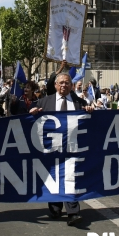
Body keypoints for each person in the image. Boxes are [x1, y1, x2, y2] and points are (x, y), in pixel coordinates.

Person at [29, 73, 94, 226]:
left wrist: (90, 111)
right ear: (55, 85)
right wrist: (32, 113)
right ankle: (55, 206)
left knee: (71, 178)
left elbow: (89, 124)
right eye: (61, 83)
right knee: (53, 177)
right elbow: (30, 120)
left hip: (72, 148)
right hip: (51, 149)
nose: (64, 85)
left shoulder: (80, 102)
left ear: (72, 85)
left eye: (67, 83)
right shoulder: (44, 102)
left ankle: (73, 212)